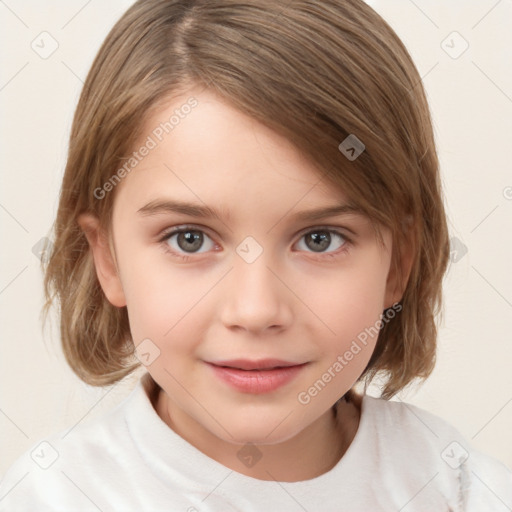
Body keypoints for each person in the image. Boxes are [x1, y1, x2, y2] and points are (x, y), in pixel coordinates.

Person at [1, 0, 510, 510]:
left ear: (398, 263)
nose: (256, 310)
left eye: (320, 239)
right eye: (190, 239)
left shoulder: (461, 492)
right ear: (107, 260)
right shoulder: (53, 497)